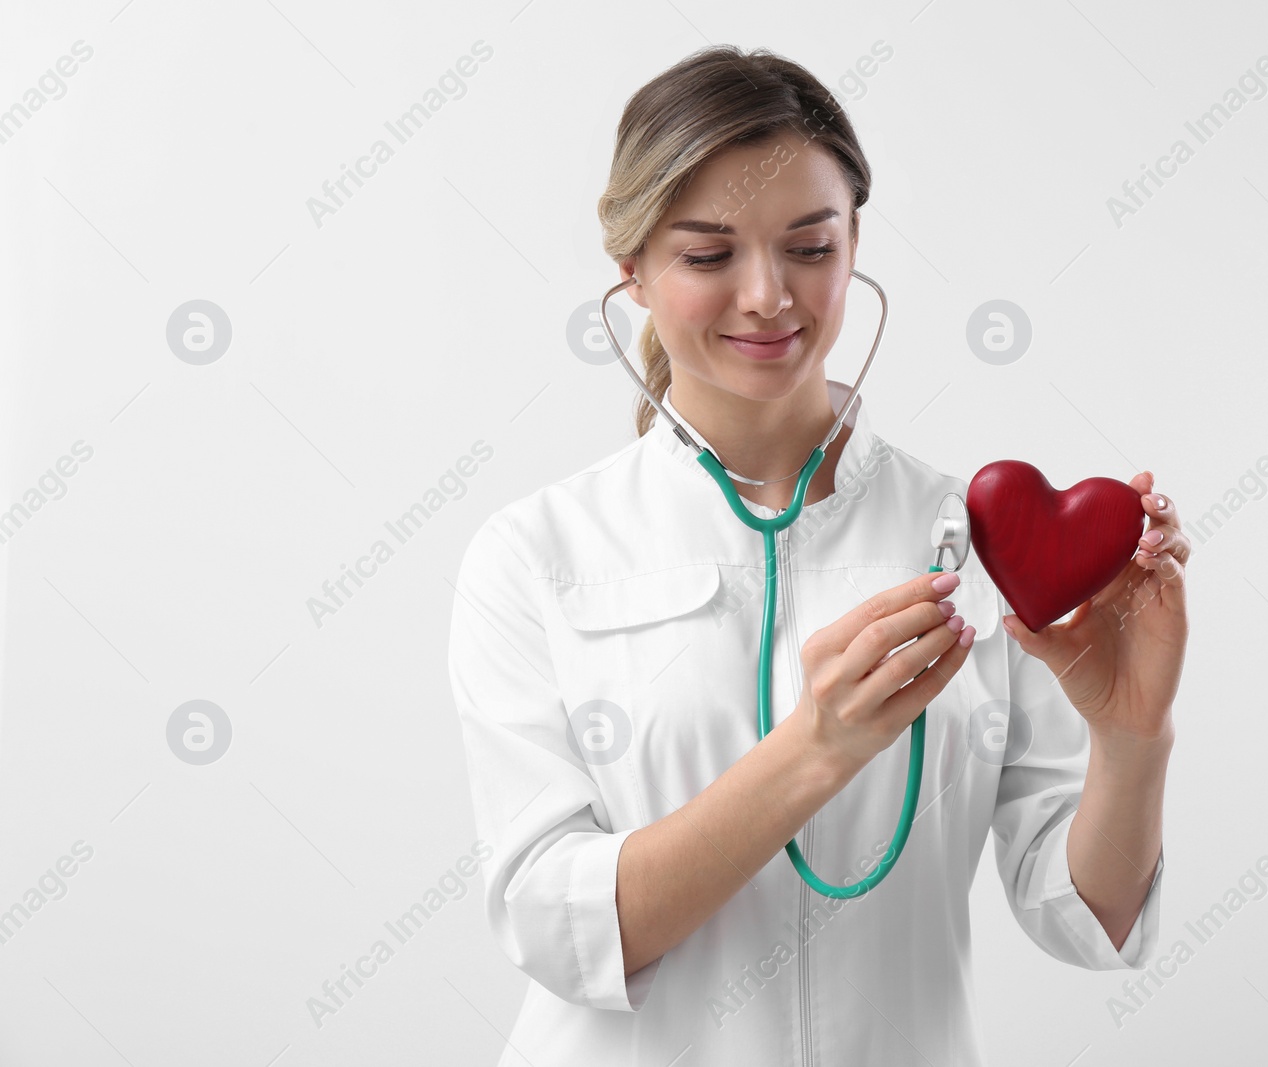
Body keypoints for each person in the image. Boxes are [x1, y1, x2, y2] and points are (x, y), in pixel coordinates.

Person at [447, 44, 1190, 1067]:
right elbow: (555, 922)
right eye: (708, 256)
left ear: (853, 246)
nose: (766, 295)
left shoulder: (981, 543)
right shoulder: (537, 554)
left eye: (808, 246)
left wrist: (1132, 733)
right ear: (634, 273)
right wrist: (819, 746)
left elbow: (1085, 917)